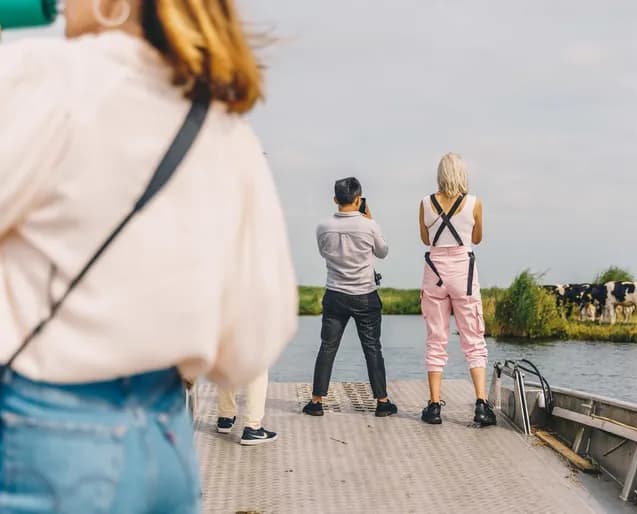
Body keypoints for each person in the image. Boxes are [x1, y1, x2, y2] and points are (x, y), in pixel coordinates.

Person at [0, 1, 297, 512]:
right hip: (164, 444)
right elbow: (253, 343)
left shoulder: (45, 77)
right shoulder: (227, 128)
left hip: (43, 437)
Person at [303, 178, 398, 417]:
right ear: (358, 200)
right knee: (372, 348)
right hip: (365, 295)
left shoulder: (323, 227)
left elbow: (324, 252)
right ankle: (382, 401)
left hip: (335, 294)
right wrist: (369, 218)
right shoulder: (369, 226)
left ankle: (316, 402)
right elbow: (383, 251)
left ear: (335, 199)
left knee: (327, 347)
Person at [418, 153, 496, 426]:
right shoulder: (474, 203)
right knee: (474, 338)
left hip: (435, 273)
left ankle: (434, 405)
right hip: (464, 273)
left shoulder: (425, 203)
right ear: (462, 174)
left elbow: (426, 238)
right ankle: (481, 404)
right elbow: (476, 238)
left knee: (436, 339)